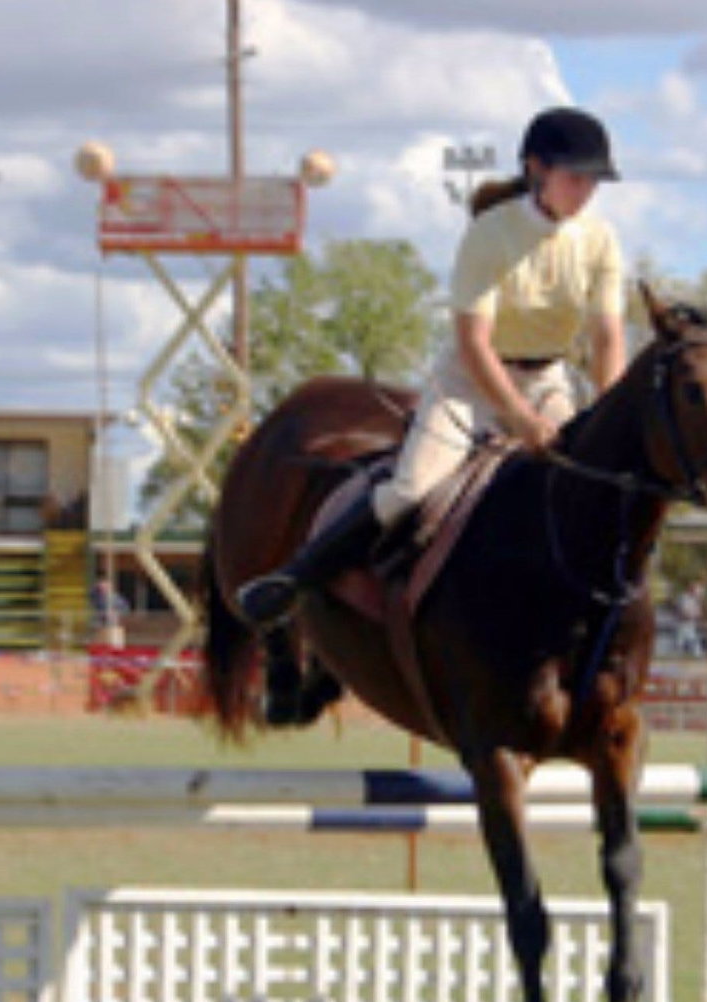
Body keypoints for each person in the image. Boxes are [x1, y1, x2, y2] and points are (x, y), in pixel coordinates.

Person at [236, 106, 626, 627]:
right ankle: (296, 578)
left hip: (548, 379)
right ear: (537, 168)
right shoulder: (490, 233)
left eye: (594, 181)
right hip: (471, 381)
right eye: (576, 178)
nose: (586, 192)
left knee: (584, 490)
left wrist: (612, 414)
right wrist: (519, 419)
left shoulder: (600, 239)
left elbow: (608, 337)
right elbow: (474, 343)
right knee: (412, 490)